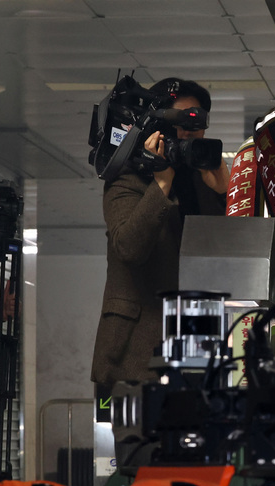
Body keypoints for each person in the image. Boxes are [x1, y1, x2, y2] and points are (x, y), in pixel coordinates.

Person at [91, 77, 228, 388]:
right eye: (180, 121)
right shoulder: (126, 179)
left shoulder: (204, 178)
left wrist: (223, 193)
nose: (189, 130)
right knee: (140, 437)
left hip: (199, 345)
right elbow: (129, 248)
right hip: (136, 351)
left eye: (197, 121)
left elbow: (227, 256)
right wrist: (162, 184)